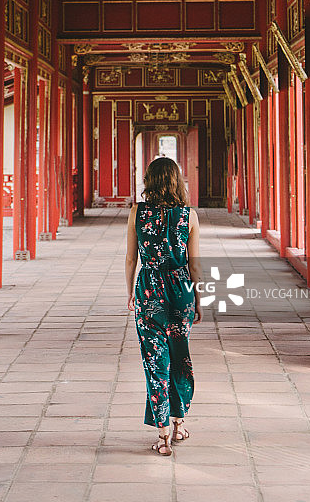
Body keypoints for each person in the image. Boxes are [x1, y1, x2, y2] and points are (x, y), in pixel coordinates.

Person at [125, 157, 202, 456]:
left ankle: (163, 435)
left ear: (149, 181)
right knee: (180, 356)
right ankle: (180, 424)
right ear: (177, 181)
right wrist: (198, 300)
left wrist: (130, 292)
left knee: (155, 360)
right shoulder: (188, 215)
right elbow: (194, 266)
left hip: (149, 290)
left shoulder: (137, 212)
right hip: (181, 291)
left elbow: (131, 258)